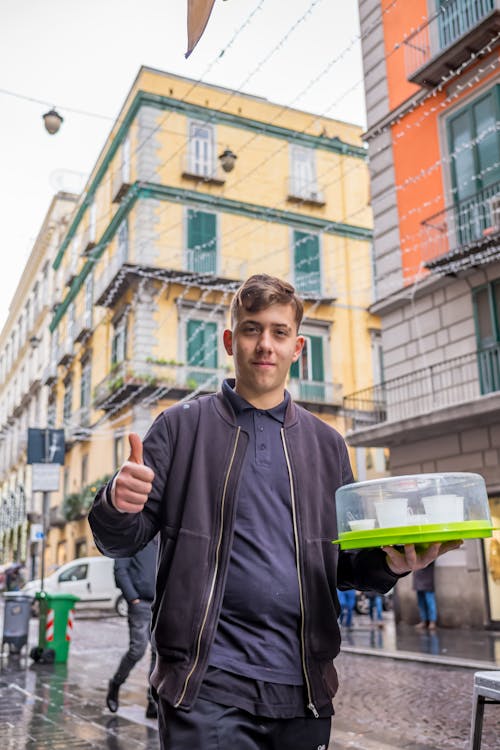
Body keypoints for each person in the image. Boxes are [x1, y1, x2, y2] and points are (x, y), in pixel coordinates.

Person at [89, 274, 461, 750]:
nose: (265, 344)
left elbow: (346, 562)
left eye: (279, 332)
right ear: (230, 340)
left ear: (297, 346)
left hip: (302, 688)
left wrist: (389, 564)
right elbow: (120, 540)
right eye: (251, 329)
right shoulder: (180, 428)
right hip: (205, 687)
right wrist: (117, 504)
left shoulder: (328, 446)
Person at [106, 536, 159, 719]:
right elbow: (120, 570)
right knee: (138, 649)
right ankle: (116, 683)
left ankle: (153, 701)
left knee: (158, 653)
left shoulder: (163, 538)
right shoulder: (134, 535)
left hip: (161, 604)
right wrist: (132, 598)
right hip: (140, 604)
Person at [413, 560, 438, 631]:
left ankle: (432, 622)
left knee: (430, 602)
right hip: (417, 580)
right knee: (421, 603)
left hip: (427, 581)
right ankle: (423, 621)